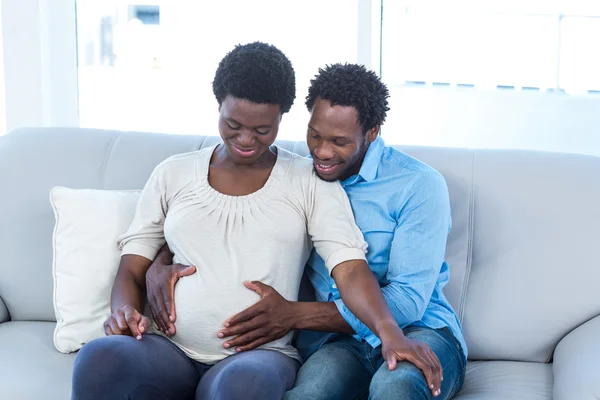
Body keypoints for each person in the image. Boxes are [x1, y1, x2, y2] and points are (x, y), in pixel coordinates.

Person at [71, 43, 443, 400]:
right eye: (233, 123)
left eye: (262, 130)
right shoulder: (173, 173)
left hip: (258, 355)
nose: (245, 139)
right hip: (168, 348)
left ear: (281, 118)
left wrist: (387, 329)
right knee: (98, 357)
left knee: (244, 387)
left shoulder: (309, 180)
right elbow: (134, 262)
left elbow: (348, 268)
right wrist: (127, 305)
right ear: (218, 105)